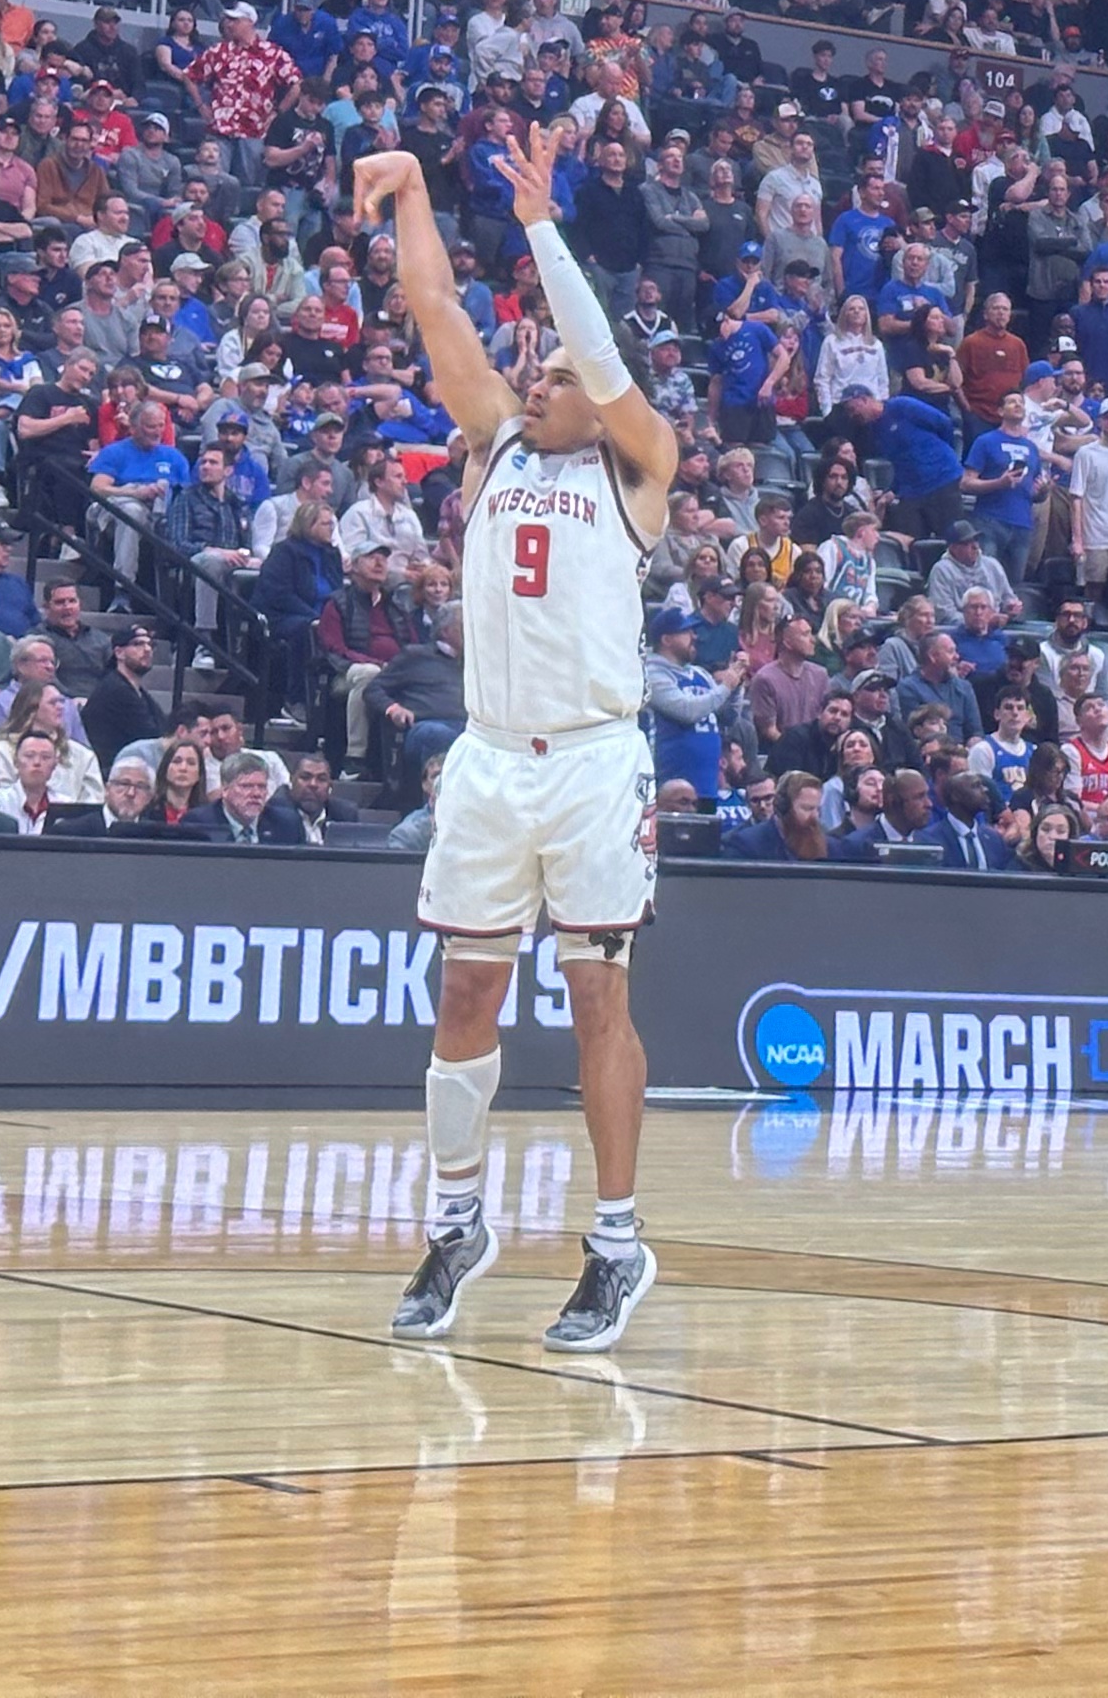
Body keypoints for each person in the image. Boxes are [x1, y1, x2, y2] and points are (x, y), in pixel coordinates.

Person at [354, 133, 680, 1358]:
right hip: (492, 757)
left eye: (552, 372)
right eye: (531, 370)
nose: (534, 379)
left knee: (599, 997)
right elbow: (432, 302)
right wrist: (418, 192)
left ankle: (614, 1243)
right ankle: (455, 1225)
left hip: (596, 762)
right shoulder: (491, 446)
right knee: (466, 990)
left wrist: (544, 229)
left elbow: (596, 354)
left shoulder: (639, 468)